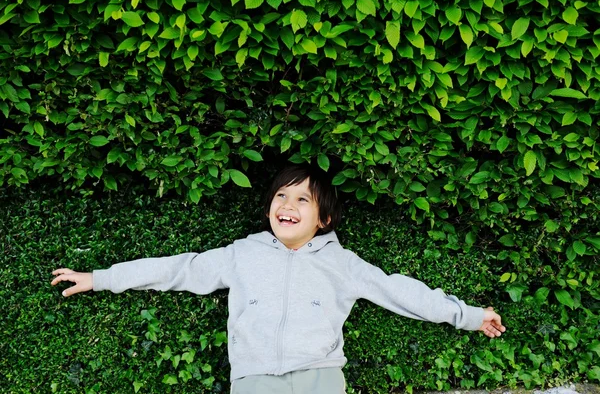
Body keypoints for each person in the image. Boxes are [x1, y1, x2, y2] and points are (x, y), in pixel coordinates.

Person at [51, 164, 506, 394]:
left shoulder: (343, 264)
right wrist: (101, 278)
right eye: (281, 195)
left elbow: (400, 292)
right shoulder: (242, 254)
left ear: (323, 217)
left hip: (321, 378)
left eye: (302, 199)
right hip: (254, 380)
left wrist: (467, 315)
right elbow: (177, 269)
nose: (287, 204)